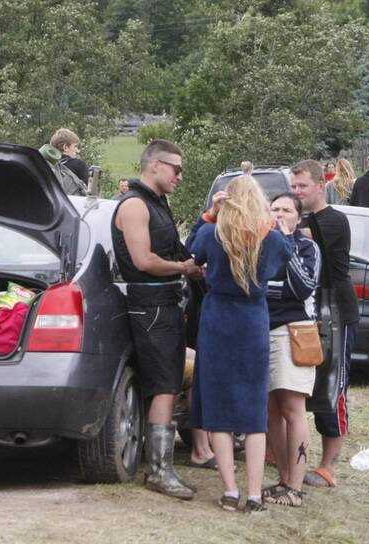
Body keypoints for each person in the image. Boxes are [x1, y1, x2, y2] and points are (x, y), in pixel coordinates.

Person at [187, 175, 295, 513]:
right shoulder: (270, 239)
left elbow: (191, 248)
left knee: (217, 407)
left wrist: (209, 213)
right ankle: (252, 493)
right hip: (252, 321)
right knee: (253, 409)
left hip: (217, 318)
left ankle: (230, 490)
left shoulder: (212, 233)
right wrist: (277, 226)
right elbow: (285, 259)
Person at [112, 139, 204, 500]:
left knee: (168, 383)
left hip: (167, 302)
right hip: (149, 305)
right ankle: (159, 472)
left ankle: (161, 468)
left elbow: (168, 250)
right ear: (155, 166)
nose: (180, 176)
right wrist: (183, 268)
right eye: (176, 169)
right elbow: (143, 261)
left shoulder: (157, 202)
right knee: (164, 386)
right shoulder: (134, 205)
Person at [291, 161, 358, 490]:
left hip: (337, 311)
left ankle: (329, 465)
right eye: (294, 187)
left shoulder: (334, 220)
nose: (297, 192)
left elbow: (300, 236)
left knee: (333, 387)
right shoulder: (296, 218)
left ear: (321, 185)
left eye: (302, 186)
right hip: (305, 310)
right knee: (298, 384)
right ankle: (289, 454)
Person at [263, 193, 321, 509]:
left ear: (298, 217)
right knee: (271, 410)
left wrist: (286, 244)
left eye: (287, 209)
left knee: (292, 408)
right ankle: (284, 480)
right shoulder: (260, 243)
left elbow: (303, 288)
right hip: (261, 331)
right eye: (275, 209)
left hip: (292, 332)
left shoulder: (305, 247)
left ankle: (296, 489)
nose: (280, 214)